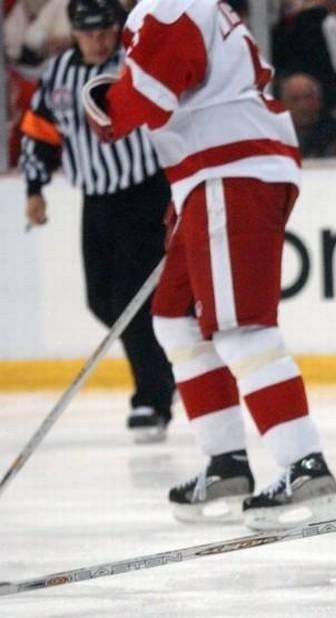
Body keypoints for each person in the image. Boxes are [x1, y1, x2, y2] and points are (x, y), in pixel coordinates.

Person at [82, 0, 336, 530]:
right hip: (207, 174)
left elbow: (148, 98)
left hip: (230, 168)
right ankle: (226, 462)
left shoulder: (170, 4)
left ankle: (303, 464)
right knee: (175, 318)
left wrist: (103, 102)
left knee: (241, 326)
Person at [20, 0, 174, 443]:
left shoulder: (133, 64)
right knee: (101, 301)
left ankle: (152, 398)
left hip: (144, 194)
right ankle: (166, 372)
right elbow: (40, 131)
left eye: (105, 30)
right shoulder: (57, 74)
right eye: (89, 32)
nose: (99, 40)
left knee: (130, 300)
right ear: (73, 33)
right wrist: (34, 188)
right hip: (97, 199)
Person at [279, 72, 336, 159]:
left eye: (308, 98)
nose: (302, 106)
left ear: (319, 101)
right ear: (283, 105)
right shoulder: (273, 135)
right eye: (295, 99)